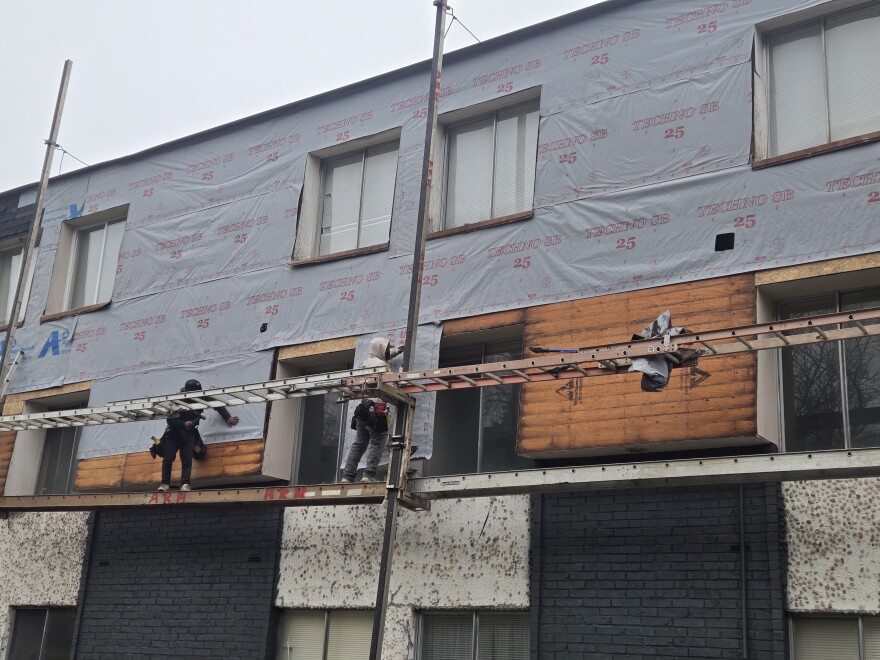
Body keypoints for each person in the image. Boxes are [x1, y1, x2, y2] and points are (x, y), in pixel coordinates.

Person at [340, 337, 403, 484]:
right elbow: (391, 386)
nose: (388, 352)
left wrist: (397, 351)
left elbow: (382, 356)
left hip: (363, 408)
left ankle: (347, 477)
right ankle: (368, 475)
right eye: (387, 349)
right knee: (377, 442)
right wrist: (399, 377)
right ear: (381, 349)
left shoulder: (367, 363)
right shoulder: (382, 366)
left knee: (359, 444)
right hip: (377, 410)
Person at [157, 379, 239, 492]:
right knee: (168, 459)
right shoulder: (178, 400)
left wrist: (227, 417)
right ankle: (165, 484)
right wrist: (183, 424)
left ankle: (185, 484)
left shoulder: (201, 397)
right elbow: (169, 420)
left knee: (186, 460)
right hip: (174, 434)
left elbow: (217, 404)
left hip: (189, 434)